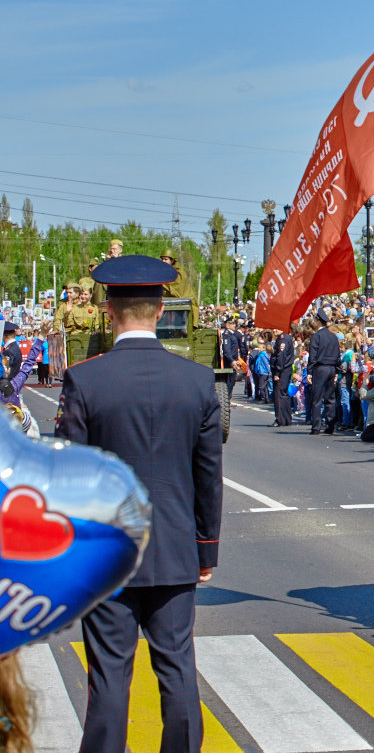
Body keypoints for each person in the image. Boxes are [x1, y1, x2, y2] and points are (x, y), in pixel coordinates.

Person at [55, 254, 222, 753]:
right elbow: (209, 477)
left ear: (109, 310)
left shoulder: (86, 380)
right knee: (177, 669)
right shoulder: (195, 381)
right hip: (174, 551)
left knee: (108, 677)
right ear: (159, 308)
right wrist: (205, 551)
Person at [306, 307, 340, 435]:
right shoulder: (333, 337)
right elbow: (337, 354)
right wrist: (336, 370)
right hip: (331, 368)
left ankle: (316, 427)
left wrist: (309, 371)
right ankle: (330, 425)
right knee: (330, 398)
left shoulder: (316, 336)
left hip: (320, 368)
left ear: (318, 321)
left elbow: (312, 355)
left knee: (317, 398)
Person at [271, 323, 296, 426]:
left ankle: (280, 419)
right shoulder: (282, 338)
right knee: (284, 395)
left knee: (279, 395)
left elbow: (281, 357)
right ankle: (286, 419)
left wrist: (277, 372)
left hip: (282, 371)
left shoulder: (283, 339)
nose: (274, 330)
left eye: (277, 327)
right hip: (285, 370)